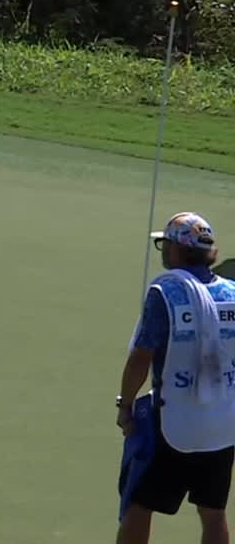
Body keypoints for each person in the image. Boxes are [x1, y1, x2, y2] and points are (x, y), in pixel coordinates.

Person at [116, 212, 235, 544]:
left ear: (178, 249)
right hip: (222, 425)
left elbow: (141, 357)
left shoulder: (165, 291)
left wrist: (125, 406)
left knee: (140, 505)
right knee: (213, 512)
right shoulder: (232, 293)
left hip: (174, 424)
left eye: (165, 244)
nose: (163, 250)